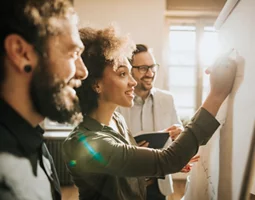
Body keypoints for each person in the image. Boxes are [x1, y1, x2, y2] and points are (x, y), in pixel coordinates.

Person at [62, 25, 237, 200]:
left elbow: (118, 177)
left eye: (130, 73)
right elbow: (168, 160)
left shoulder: (116, 119)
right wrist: (216, 95)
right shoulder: (87, 142)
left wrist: (150, 162)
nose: (132, 82)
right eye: (122, 74)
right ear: (96, 84)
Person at [0, 0, 88, 199]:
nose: (83, 72)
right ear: (21, 53)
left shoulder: (35, 142)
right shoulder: (6, 178)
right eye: (73, 53)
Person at [117, 44, 184, 200]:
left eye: (153, 67)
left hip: (158, 185)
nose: (150, 73)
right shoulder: (117, 102)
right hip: (126, 187)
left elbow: (178, 130)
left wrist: (179, 132)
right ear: (129, 70)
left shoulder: (167, 99)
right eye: (143, 68)